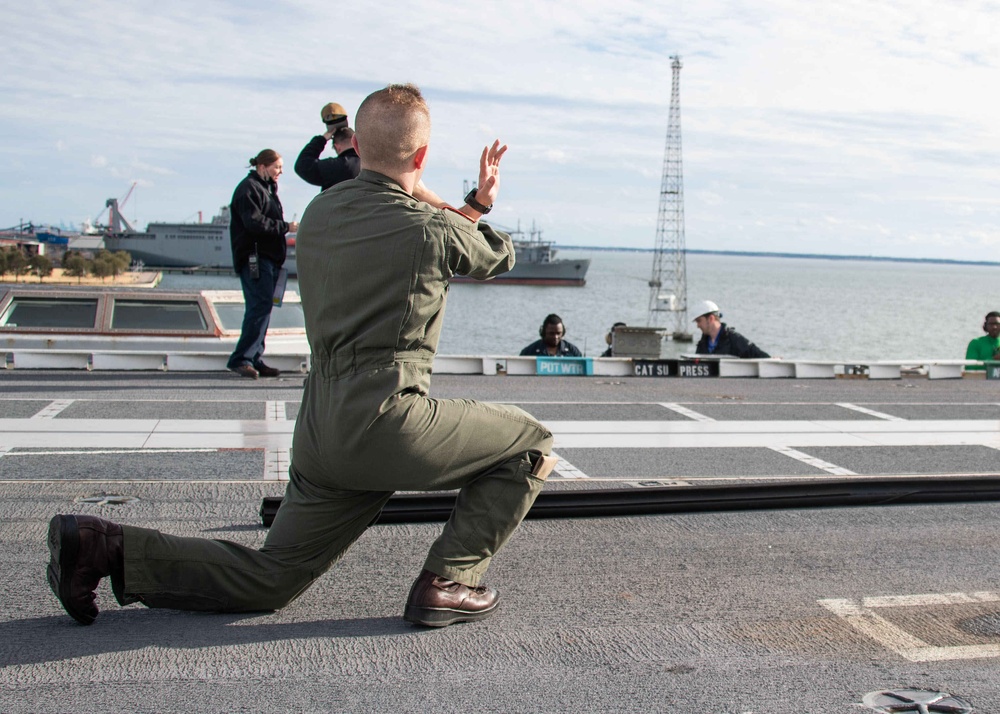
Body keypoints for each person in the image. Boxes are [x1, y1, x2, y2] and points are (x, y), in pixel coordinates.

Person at [46, 83, 557, 630]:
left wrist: (421, 189)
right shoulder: (430, 228)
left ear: (356, 144)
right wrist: (467, 199)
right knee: (530, 443)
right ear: (423, 156)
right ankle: (450, 580)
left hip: (319, 428)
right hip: (388, 421)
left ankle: (104, 547)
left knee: (272, 576)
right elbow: (495, 254)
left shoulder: (317, 214)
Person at [226, 149, 298, 379]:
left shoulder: (265, 188)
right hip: (255, 259)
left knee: (263, 307)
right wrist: (286, 227)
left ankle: (254, 357)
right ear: (262, 166)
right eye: (277, 167)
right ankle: (242, 359)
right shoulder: (249, 189)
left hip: (267, 259)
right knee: (259, 306)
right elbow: (254, 223)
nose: (280, 172)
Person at [294, 104, 361, 191]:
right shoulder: (373, 165)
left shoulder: (333, 168)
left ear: (337, 147)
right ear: (356, 141)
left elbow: (302, 165)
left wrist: (322, 139)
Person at [692, 300, 770, 359]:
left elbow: (759, 355)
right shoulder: (702, 344)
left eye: (699, 321)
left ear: (711, 318)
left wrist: (773, 361)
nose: (698, 326)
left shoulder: (734, 340)